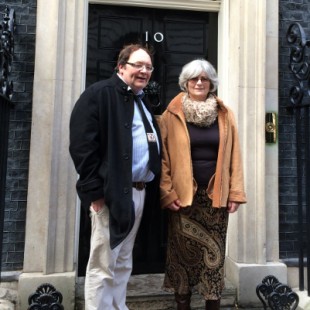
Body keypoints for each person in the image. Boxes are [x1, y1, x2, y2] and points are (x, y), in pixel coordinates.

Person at [69, 43, 161, 310]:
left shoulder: (141, 101)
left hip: (139, 191)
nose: (144, 71)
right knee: (103, 263)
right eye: (138, 65)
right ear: (121, 67)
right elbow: (82, 146)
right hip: (111, 194)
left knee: (123, 261)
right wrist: (94, 193)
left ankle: (117, 306)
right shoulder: (99, 94)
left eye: (148, 67)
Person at [159, 59, 246, 310]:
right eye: (194, 78)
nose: (199, 82)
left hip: (215, 197)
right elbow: (163, 158)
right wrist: (167, 192)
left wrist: (235, 193)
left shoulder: (224, 114)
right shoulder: (171, 114)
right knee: (181, 260)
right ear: (185, 83)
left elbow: (235, 157)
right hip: (183, 197)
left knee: (214, 260)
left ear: (211, 83)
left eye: (204, 79)